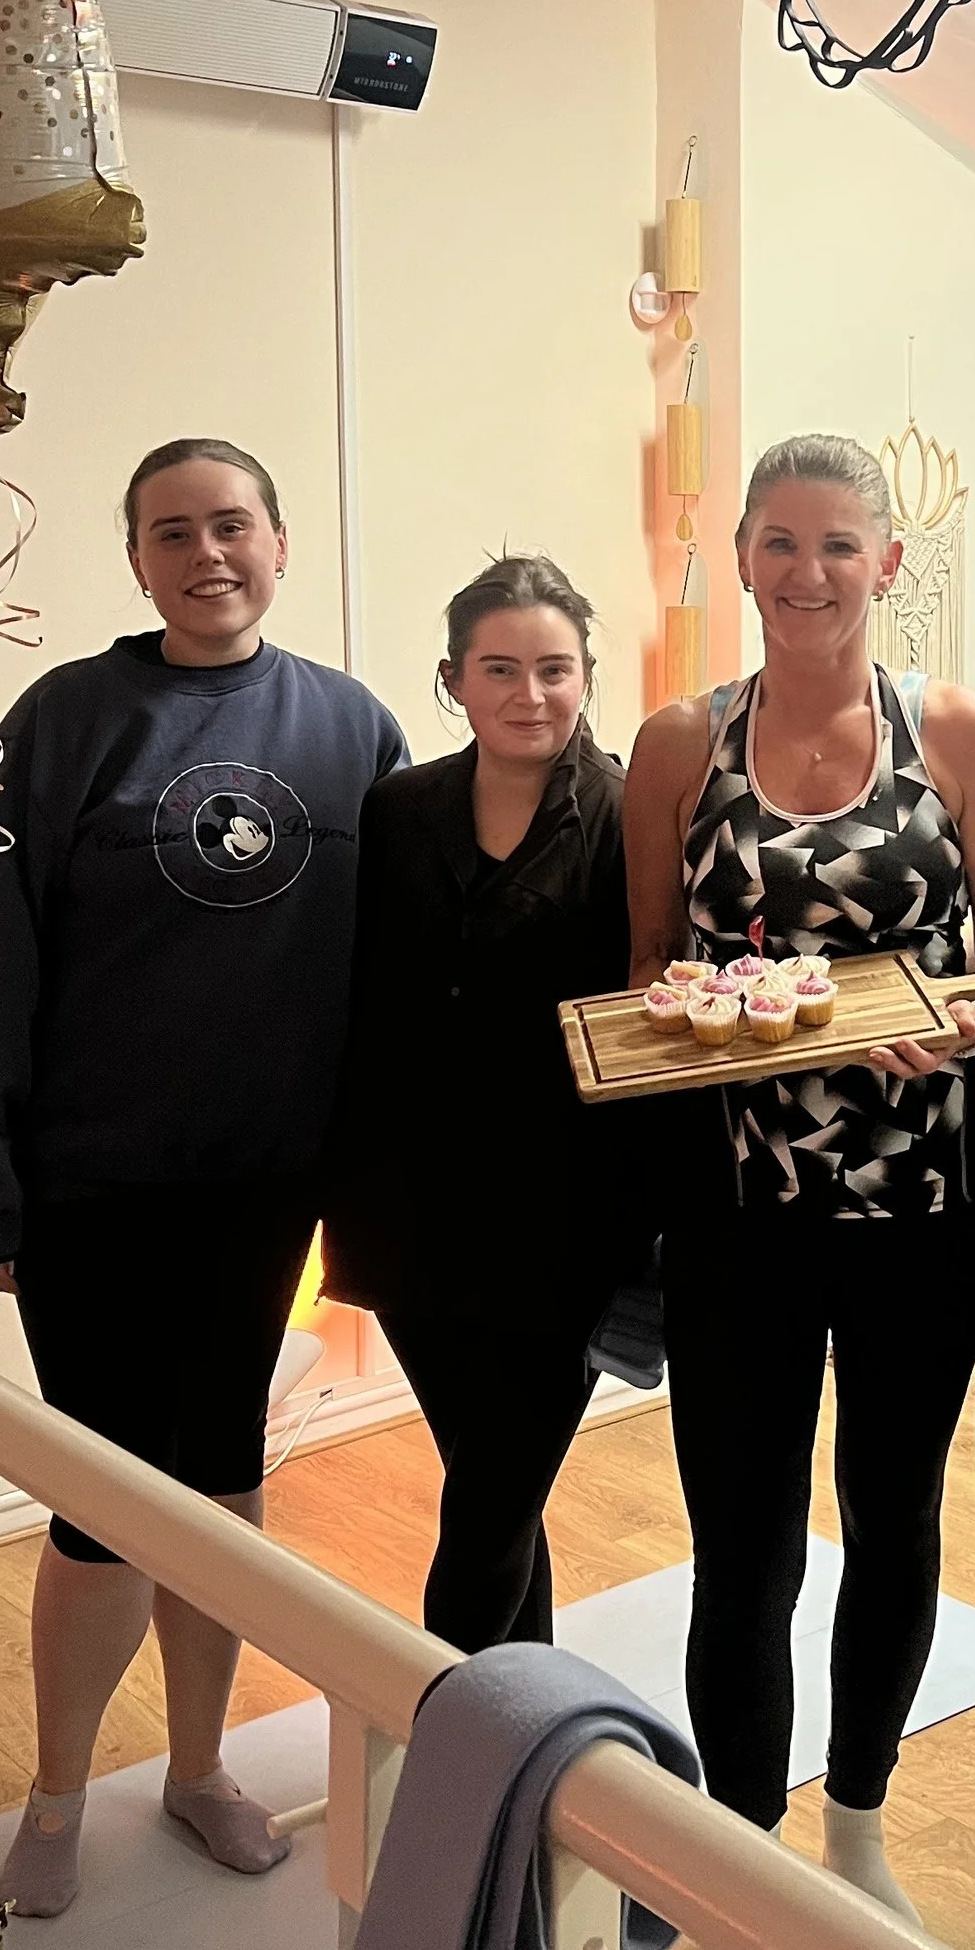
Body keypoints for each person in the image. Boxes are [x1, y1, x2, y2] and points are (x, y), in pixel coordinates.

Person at [0, 437, 404, 1918]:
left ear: (280, 541)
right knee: (103, 1508)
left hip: (261, 1195)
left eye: (233, 524)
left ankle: (197, 1767)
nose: (208, 554)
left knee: (225, 1487)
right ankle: (59, 1796)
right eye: (173, 531)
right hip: (92, 1199)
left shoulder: (350, 728)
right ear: (136, 559)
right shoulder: (63, 722)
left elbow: (402, 972)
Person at [625, 432, 975, 1950]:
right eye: (780, 544)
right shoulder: (677, 741)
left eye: (839, 546)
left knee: (893, 1517)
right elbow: (646, 966)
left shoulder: (966, 733)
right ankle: (745, 1856)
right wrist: (712, 1014)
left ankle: (856, 1832)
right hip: (739, 1214)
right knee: (742, 1545)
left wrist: (958, 1024)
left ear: (888, 564)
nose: (809, 574)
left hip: (926, 1199)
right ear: (741, 559)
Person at [323, 552, 647, 1651]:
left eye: (554, 669)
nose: (529, 694)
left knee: (491, 1501)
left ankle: (445, 1742)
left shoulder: (632, 817)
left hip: (566, 1224)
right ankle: (532, 1716)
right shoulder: (396, 810)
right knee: (490, 1484)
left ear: (586, 676)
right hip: (407, 1213)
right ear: (453, 680)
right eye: (499, 668)